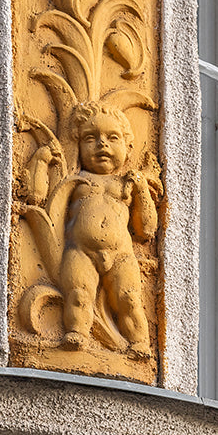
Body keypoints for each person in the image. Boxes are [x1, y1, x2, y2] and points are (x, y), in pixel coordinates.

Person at [45, 101, 159, 357]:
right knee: (78, 293)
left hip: (121, 255)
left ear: (128, 147)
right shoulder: (77, 180)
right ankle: (77, 333)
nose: (102, 144)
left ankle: (139, 343)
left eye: (112, 137)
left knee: (128, 299)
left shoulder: (126, 185)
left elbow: (147, 229)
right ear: (77, 146)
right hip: (80, 251)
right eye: (90, 138)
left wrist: (141, 189)